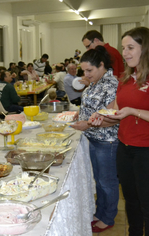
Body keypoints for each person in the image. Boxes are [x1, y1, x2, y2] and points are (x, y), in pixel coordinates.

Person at [89, 27, 149, 236]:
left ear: (146, 49)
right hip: (125, 147)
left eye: (131, 47)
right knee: (131, 201)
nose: (125, 53)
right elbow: (115, 106)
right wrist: (101, 116)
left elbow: (129, 110)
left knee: (146, 204)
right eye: (124, 48)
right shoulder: (126, 77)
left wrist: (133, 111)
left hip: (145, 150)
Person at [71, 45, 119, 233]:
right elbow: (93, 106)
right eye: (84, 71)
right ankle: (100, 212)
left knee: (107, 181)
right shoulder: (96, 82)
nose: (86, 74)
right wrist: (79, 114)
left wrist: (88, 124)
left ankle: (108, 217)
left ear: (101, 65)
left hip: (107, 140)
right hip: (94, 138)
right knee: (99, 180)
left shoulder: (111, 84)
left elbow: (111, 117)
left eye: (89, 70)